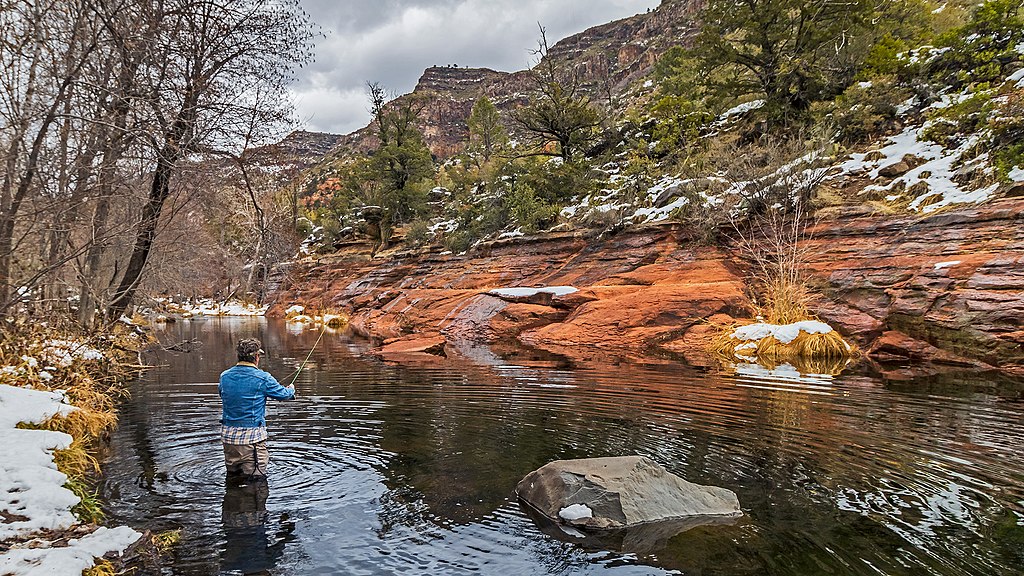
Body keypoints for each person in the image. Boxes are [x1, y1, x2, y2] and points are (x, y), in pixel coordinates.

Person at [219, 337, 295, 480]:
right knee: (256, 483)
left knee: (233, 478)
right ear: (256, 357)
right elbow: (284, 395)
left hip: (228, 438)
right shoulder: (263, 378)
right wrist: (291, 389)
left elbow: (222, 394)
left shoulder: (224, 376)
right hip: (251, 440)